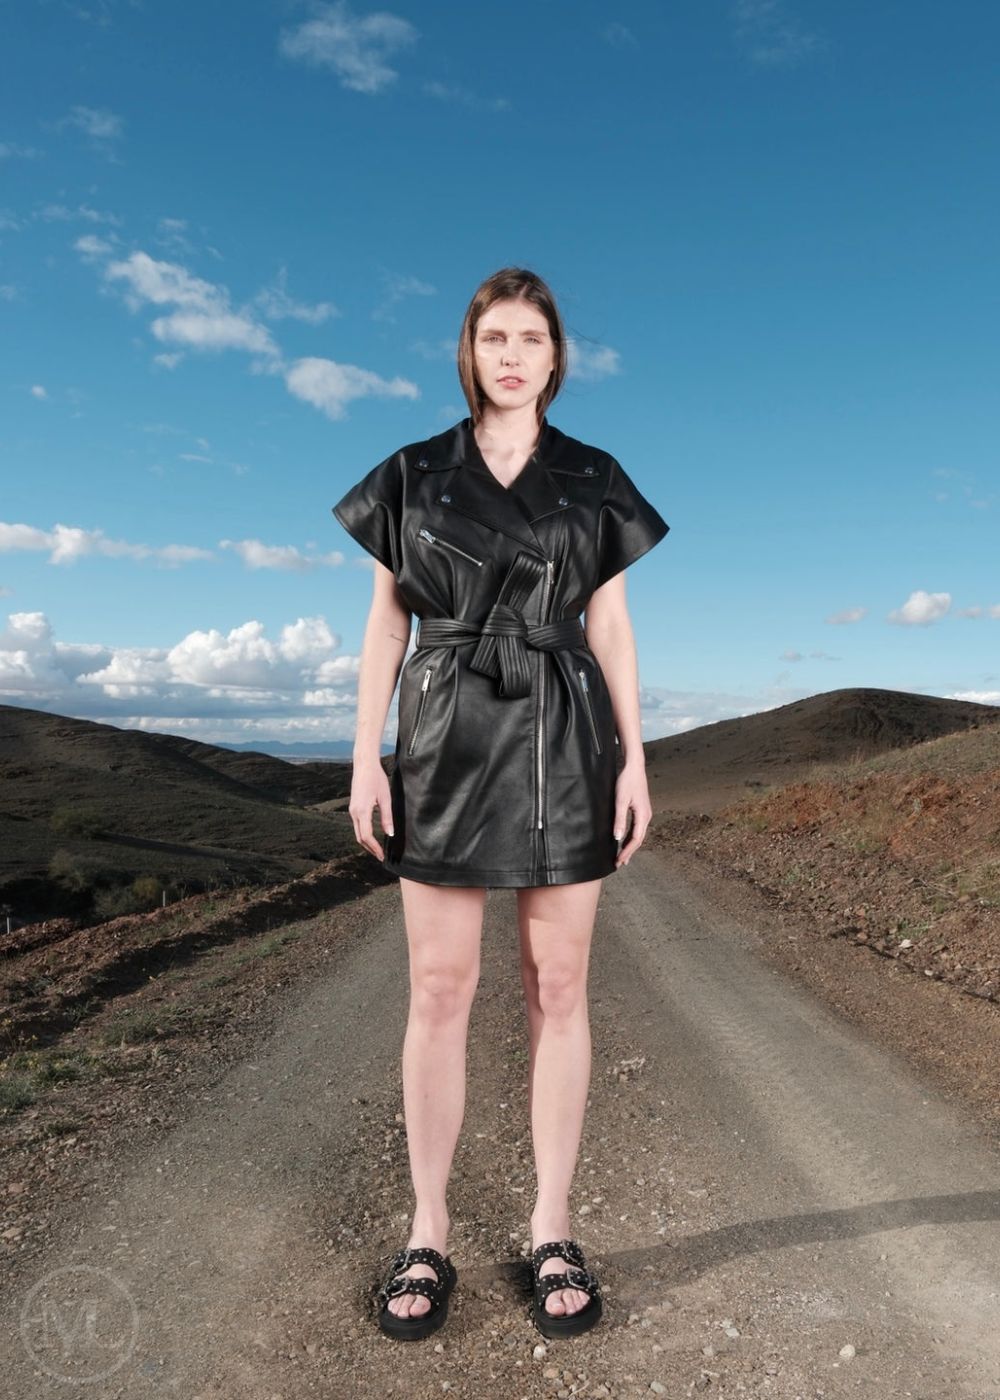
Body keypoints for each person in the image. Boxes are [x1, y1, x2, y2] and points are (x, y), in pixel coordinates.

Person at [331, 267, 670, 1341]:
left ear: (556, 358)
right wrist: (365, 755)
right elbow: (387, 626)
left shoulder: (593, 476)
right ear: (468, 353)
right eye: (493, 337)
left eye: (530, 337)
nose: (511, 354)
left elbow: (610, 627)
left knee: (556, 980)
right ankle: (426, 1228)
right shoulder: (411, 474)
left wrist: (634, 759)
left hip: (565, 733)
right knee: (439, 985)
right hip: (440, 729)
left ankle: (551, 1224)